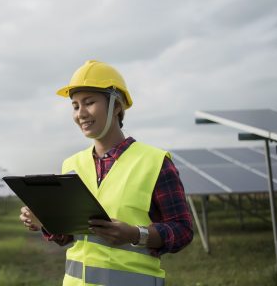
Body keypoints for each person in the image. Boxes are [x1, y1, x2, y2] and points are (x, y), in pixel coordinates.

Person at [19, 60, 193, 286]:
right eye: (75, 106)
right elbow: (71, 237)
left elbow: (182, 230)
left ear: (117, 106)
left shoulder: (155, 162)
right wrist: (44, 221)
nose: (81, 113)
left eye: (89, 103)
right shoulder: (71, 165)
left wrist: (135, 234)